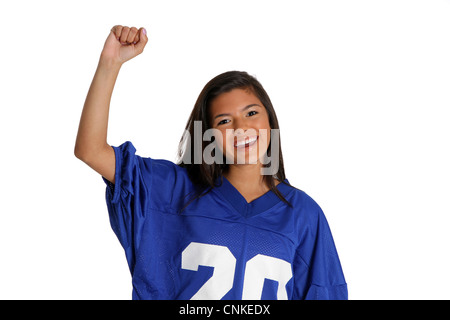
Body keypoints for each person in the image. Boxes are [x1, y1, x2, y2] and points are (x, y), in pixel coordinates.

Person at [74, 25, 348, 300]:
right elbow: (91, 151)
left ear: (270, 121)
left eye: (251, 113)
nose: (241, 127)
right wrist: (110, 64)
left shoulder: (303, 215)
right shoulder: (174, 190)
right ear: (208, 136)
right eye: (224, 121)